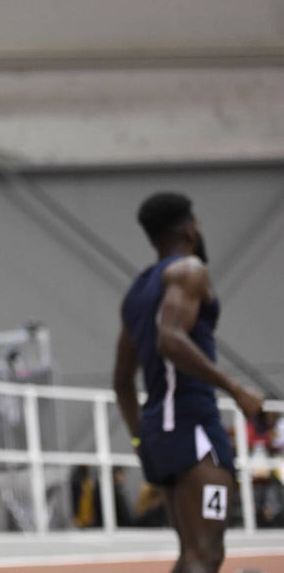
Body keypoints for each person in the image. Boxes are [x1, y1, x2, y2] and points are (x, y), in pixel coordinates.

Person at [113, 192, 266, 573]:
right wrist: (236, 388)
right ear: (188, 228)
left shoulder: (136, 292)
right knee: (207, 553)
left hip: (160, 433)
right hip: (193, 427)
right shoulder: (189, 270)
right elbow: (170, 338)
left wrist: (139, 440)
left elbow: (121, 381)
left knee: (191, 554)